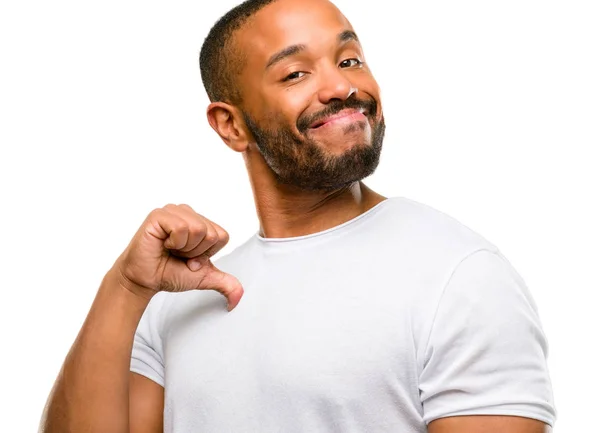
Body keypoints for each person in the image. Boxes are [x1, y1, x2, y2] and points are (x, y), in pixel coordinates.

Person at [39, 0, 556, 432]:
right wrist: (126, 287)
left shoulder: (459, 275)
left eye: (350, 60)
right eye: (296, 73)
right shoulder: (177, 301)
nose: (340, 87)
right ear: (230, 125)